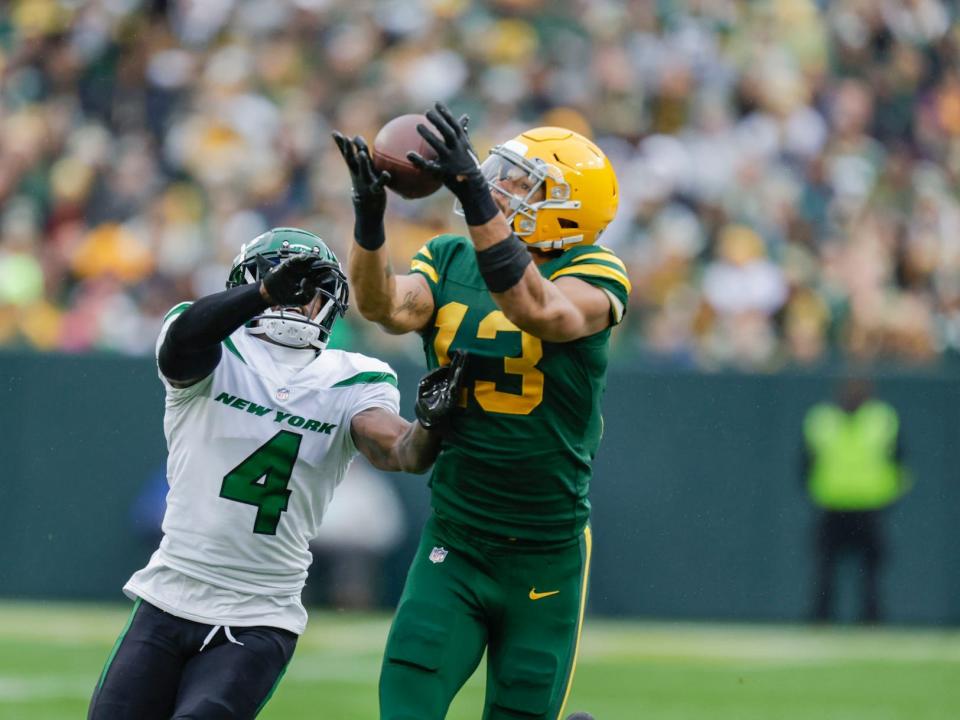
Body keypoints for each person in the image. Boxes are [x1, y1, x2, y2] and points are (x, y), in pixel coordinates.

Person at [88, 227, 465, 720]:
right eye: (282, 284)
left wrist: (432, 424)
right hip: (169, 594)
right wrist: (262, 294)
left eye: (309, 289)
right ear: (247, 285)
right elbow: (181, 346)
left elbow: (403, 453)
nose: (296, 299)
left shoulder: (350, 376)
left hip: (259, 614)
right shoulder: (213, 346)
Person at [333, 103, 630, 720]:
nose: (503, 187)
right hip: (457, 537)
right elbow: (383, 306)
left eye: (525, 184)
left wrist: (474, 196)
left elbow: (539, 310)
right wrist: (369, 220)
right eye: (503, 174)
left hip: (545, 550)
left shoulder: (594, 272)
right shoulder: (448, 257)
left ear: (568, 208)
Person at [801, 377, 909, 624]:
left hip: (870, 506)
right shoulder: (822, 421)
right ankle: (821, 620)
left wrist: (889, 494)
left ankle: (871, 621)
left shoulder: (882, 420)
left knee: (870, 573)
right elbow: (806, 463)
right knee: (826, 570)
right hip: (832, 504)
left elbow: (900, 461)